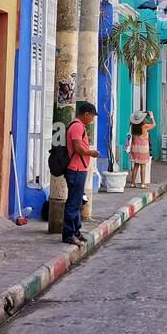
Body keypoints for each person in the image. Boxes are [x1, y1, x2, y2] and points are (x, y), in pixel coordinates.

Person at [63, 102, 98, 245]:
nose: (92, 120)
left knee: (77, 202)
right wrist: (91, 153)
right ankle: (69, 234)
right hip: (76, 169)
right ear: (86, 114)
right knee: (73, 203)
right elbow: (77, 148)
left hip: (79, 169)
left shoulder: (78, 126)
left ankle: (76, 232)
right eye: (92, 117)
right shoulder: (77, 126)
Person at [126, 109, 155, 188]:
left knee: (135, 165)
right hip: (143, 149)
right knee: (143, 166)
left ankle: (133, 183)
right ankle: (142, 184)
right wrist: (151, 116)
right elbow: (153, 125)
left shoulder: (132, 126)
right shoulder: (144, 126)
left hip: (134, 148)